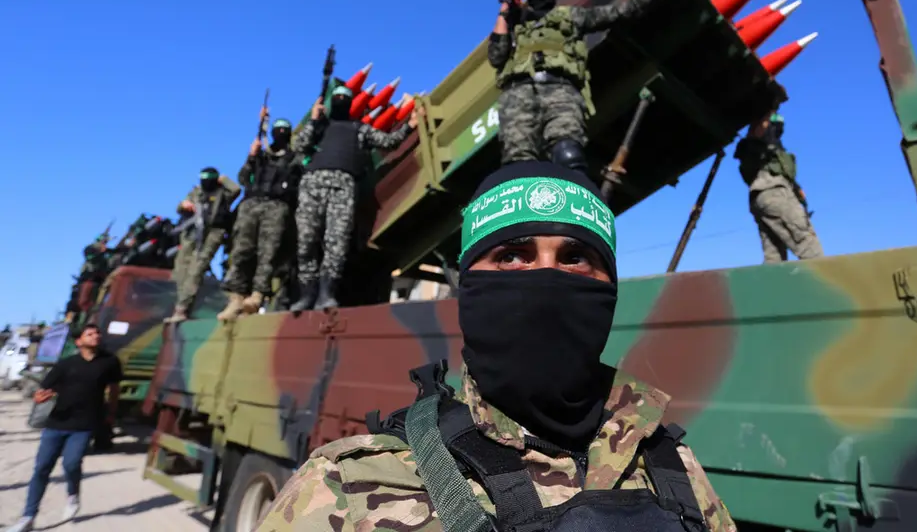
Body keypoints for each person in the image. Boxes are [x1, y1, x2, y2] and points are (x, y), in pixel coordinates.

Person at [256, 160, 738, 532]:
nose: (546, 277)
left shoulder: (673, 469)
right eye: (511, 255)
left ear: (609, 287)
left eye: (575, 257)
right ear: (468, 285)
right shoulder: (350, 486)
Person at [487, 0, 685, 174]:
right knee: (518, 166)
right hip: (518, 94)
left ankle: (571, 205)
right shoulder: (515, 25)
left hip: (560, 90)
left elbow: (624, 11)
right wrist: (505, 10)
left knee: (568, 155)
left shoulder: (572, 17)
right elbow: (496, 56)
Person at [290, 86, 418, 311]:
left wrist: (409, 126)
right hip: (313, 185)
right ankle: (306, 295)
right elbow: (299, 146)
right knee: (306, 241)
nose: (340, 100)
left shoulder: (360, 129)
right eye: (337, 97)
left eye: (344, 98)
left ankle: (326, 294)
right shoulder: (320, 126)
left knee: (336, 243)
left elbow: (388, 142)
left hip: (343, 188)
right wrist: (313, 119)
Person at [5, 324, 121, 532]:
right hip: (57, 423)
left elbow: (114, 389)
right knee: (41, 469)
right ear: (79, 341)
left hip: (85, 425)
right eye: (90, 334)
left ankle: (72, 495)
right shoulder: (65, 364)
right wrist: (40, 397)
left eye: (97, 333)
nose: (96, 336)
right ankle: (28, 517)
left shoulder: (109, 362)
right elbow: (43, 392)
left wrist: (111, 413)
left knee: (71, 464)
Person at [218, 111, 303, 320]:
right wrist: (251, 156)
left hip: (276, 207)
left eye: (284, 130)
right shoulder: (261, 156)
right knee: (242, 251)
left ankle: (257, 296)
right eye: (278, 130)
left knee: (268, 253)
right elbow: (244, 178)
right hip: (251, 204)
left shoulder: (294, 159)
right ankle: (236, 298)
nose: (280, 133)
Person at [734, 111, 822, 263]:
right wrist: (769, 106)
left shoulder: (771, 148)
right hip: (775, 193)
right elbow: (759, 126)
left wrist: (797, 190)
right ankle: (823, 285)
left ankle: (773, 286)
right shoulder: (762, 137)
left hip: (762, 197)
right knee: (807, 244)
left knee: (774, 258)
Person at [164, 167, 242, 323]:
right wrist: (184, 205)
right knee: (181, 270)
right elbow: (180, 208)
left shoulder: (223, 193)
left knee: (196, 270)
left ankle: (182, 309)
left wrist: (223, 179)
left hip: (212, 233)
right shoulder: (196, 193)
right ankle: (181, 304)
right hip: (192, 233)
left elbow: (236, 189)